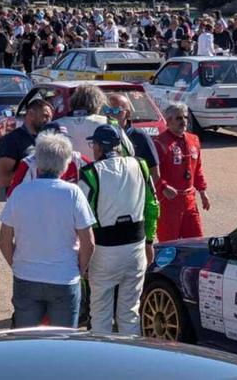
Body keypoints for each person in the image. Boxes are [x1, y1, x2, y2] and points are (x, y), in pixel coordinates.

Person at [0, 131, 96, 328]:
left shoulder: (19, 192)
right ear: (66, 162)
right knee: (62, 347)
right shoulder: (73, 193)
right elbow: (89, 242)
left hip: (26, 276)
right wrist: (79, 269)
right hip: (64, 277)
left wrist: (17, 264)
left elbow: (3, 240)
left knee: (27, 344)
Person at [79, 124, 158, 334]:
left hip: (104, 250)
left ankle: (102, 362)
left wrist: (82, 257)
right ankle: (129, 361)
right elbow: (152, 206)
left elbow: (81, 219)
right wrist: (149, 240)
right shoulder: (140, 165)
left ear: (97, 147)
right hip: (136, 247)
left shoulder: (90, 173)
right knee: (130, 312)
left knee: (100, 314)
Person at [153, 103, 210, 241]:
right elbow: (152, 172)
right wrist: (163, 187)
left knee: (197, 242)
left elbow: (197, 168)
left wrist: (202, 191)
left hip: (189, 201)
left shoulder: (194, 140)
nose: (183, 121)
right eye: (179, 118)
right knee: (168, 245)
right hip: (169, 203)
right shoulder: (159, 142)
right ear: (168, 121)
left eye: (185, 117)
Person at [54, 83, 133, 161]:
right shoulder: (109, 123)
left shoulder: (55, 125)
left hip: (67, 172)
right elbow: (129, 152)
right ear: (98, 105)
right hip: (99, 172)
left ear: (72, 103)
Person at [0, 99, 53, 194]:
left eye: (50, 118)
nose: (48, 121)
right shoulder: (12, 140)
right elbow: (2, 179)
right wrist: (31, 172)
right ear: (31, 113)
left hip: (45, 199)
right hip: (22, 200)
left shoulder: (47, 140)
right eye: (45, 116)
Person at [9, 123, 89, 189]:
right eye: (53, 144)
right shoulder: (29, 164)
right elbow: (13, 198)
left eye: (63, 142)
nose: (59, 148)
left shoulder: (78, 160)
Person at [104, 93, 160, 183]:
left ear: (128, 114)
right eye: (106, 110)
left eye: (115, 110)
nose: (110, 114)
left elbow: (155, 173)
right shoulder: (102, 135)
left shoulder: (140, 136)